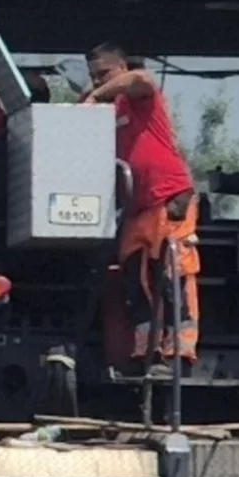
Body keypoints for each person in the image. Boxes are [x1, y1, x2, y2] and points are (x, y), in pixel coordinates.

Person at [79, 42, 200, 376]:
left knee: (171, 272)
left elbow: (143, 80)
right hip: (136, 206)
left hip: (170, 196)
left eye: (103, 74)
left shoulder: (143, 95)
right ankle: (146, 354)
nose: (97, 82)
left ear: (122, 68)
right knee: (135, 277)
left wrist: (97, 95)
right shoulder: (108, 108)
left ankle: (178, 355)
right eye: (93, 76)